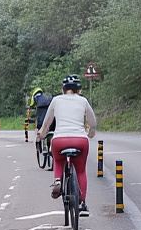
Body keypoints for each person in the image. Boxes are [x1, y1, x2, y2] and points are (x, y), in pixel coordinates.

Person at [35, 74, 97, 216]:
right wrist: (91, 132)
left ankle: (57, 181)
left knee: (58, 160)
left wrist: (42, 134)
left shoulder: (56, 100)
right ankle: (82, 203)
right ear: (79, 89)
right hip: (80, 140)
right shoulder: (83, 101)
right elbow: (93, 122)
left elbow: (47, 123)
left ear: (63, 89)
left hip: (59, 140)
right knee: (80, 171)